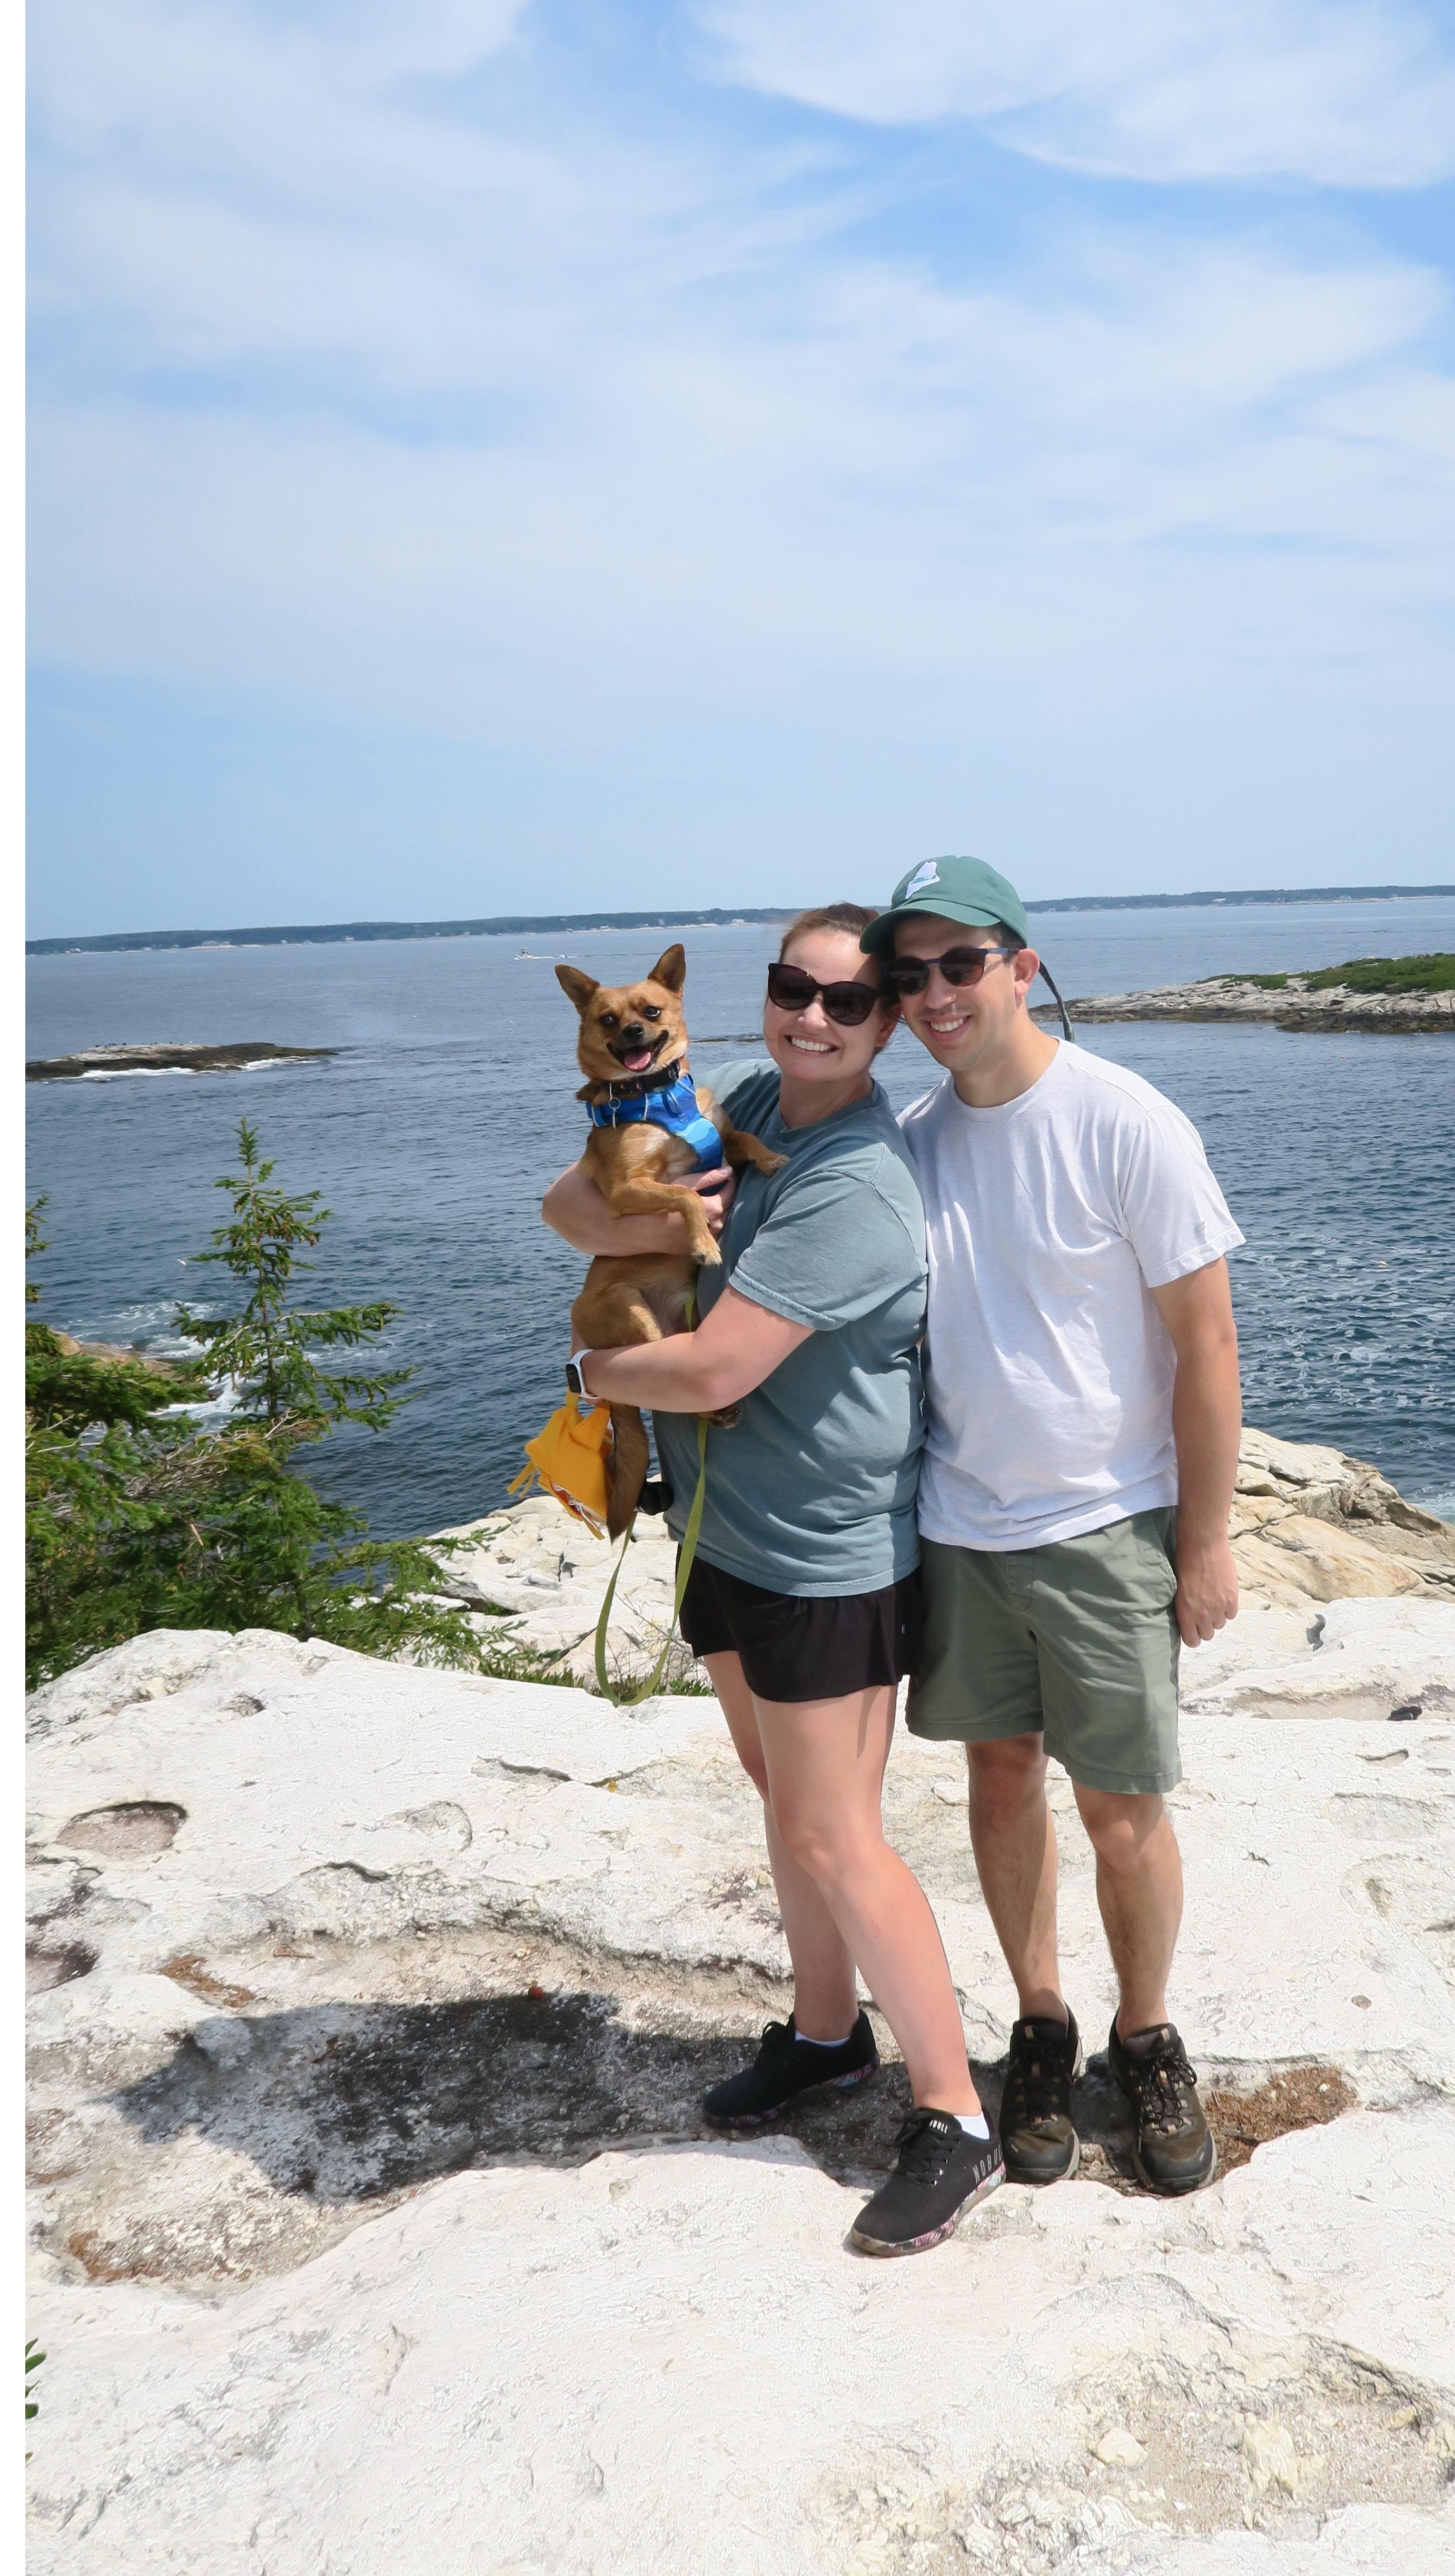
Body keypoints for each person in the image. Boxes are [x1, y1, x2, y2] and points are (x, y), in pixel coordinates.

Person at [540, 903, 1003, 2257]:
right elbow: (567, 1205)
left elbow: (720, 1366)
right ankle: (824, 2034)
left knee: (834, 1835)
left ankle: (955, 2115)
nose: (811, 1015)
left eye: (847, 1003)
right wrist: (649, 1209)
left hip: (822, 1552)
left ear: (888, 1024)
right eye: (791, 986)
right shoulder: (742, 1102)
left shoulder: (855, 1177)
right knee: (783, 1807)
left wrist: (588, 1376)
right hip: (726, 1527)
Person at [861, 856, 1245, 2196]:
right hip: (962, 1527)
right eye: (907, 975)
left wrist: (1206, 1539)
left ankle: (1146, 2037)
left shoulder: (1125, 1120)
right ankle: (1041, 2023)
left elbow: (1206, 1345)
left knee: (1124, 1811)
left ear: (1022, 966)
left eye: (959, 963)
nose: (933, 994)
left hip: (1104, 1526)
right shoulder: (910, 1144)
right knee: (1000, 1780)